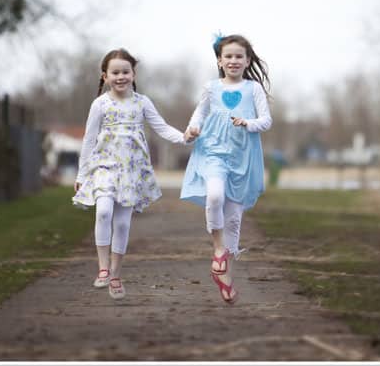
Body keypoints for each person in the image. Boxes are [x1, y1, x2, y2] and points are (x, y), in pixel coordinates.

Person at [73, 48, 187, 300]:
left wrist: (184, 137)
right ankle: (103, 268)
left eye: (125, 71)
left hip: (132, 171)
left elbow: (161, 127)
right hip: (104, 167)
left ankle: (115, 273)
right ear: (105, 76)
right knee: (103, 211)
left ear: (133, 74)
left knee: (123, 222)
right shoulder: (100, 104)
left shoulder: (142, 102)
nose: (121, 76)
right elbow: (89, 139)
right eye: (115, 72)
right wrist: (82, 175)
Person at [181, 33, 273, 304]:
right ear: (220, 61)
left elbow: (266, 120)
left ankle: (225, 275)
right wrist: (192, 128)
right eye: (228, 56)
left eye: (239, 56)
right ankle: (218, 250)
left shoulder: (253, 89)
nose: (233, 60)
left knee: (233, 218)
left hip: (242, 157)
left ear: (246, 61)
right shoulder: (211, 88)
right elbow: (199, 112)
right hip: (212, 151)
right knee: (215, 196)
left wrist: (248, 123)